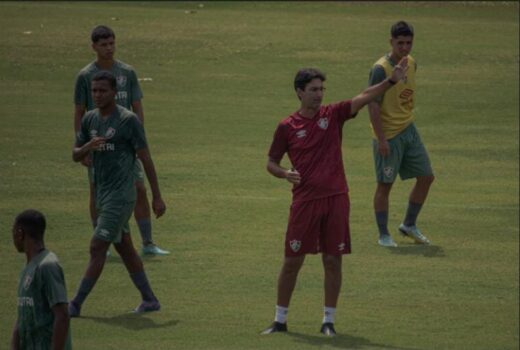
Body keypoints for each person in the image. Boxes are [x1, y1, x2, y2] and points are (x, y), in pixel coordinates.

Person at [262, 60, 408, 336]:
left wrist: (390, 82)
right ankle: (280, 320)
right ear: (299, 92)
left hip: (337, 199)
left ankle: (328, 321)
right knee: (292, 261)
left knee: (333, 260)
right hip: (305, 203)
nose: (319, 94)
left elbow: (364, 97)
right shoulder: (287, 127)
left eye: (322, 89)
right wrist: (284, 173)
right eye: (313, 89)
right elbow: (271, 161)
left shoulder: (334, 114)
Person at [69, 71, 166, 317]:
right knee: (125, 248)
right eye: (94, 91)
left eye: (102, 91)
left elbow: (145, 157)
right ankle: (150, 299)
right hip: (102, 194)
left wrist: (156, 196)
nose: (97, 95)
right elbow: (75, 154)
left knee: (97, 246)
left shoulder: (127, 120)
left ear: (114, 92)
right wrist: (88, 147)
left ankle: (76, 304)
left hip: (122, 196)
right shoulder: (90, 120)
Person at [74, 25, 169, 255]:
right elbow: (79, 112)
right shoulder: (86, 76)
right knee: (97, 191)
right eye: (104, 45)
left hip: (126, 142)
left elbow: (137, 107)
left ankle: (148, 243)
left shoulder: (127, 72)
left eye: (112, 43)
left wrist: (139, 139)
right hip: (99, 145)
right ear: (94, 47)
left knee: (139, 188)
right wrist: (82, 146)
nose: (109, 48)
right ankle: (102, 240)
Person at [367, 21, 434, 247]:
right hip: (388, 135)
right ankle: (383, 234)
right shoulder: (380, 69)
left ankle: (408, 224)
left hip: (408, 129)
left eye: (409, 43)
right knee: (385, 185)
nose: (405, 48)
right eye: (400, 43)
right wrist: (382, 139)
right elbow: (372, 105)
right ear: (391, 42)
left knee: (426, 177)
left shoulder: (412, 63)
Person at [11, 209, 72, 350]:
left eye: (13, 231)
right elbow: (22, 318)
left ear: (20, 233)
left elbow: (62, 315)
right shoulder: (28, 268)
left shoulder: (47, 266)